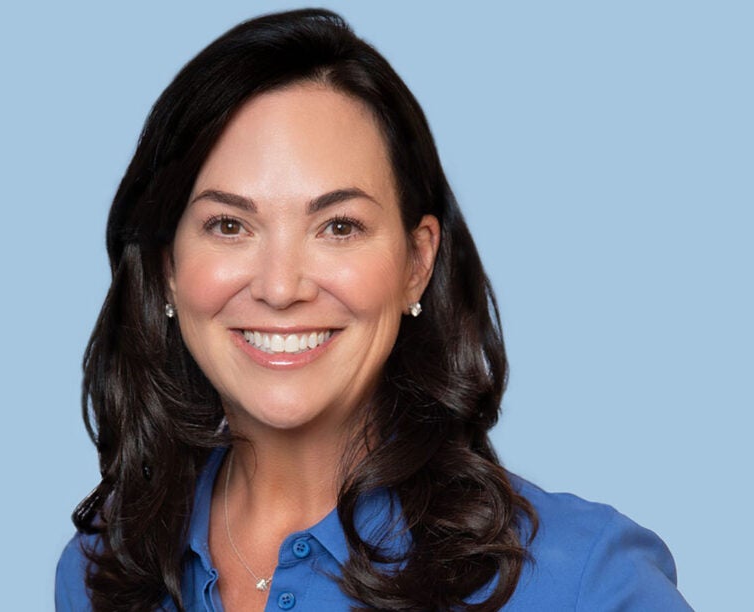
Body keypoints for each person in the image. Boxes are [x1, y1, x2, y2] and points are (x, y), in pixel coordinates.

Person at [56, 9, 691, 611]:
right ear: (168, 266)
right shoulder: (104, 570)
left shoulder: (583, 578)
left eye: (338, 227)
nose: (281, 287)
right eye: (228, 224)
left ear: (417, 263)